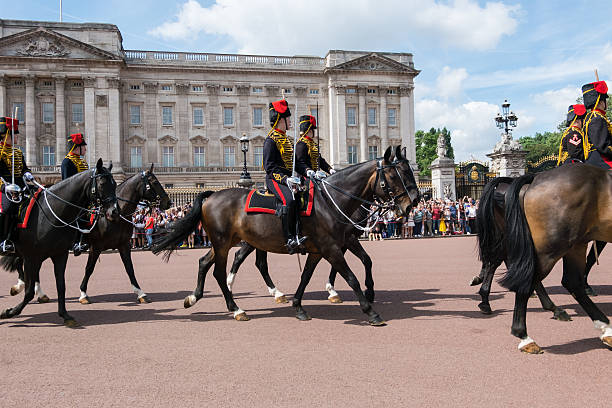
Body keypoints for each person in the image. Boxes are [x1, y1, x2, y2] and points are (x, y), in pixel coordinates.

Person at [263, 99, 304, 254]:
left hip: (289, 179)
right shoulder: (271, 140)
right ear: (281, 120)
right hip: (275, 179)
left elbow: (296, 163)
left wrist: (308, 172)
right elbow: (269, 167)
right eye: (288, 119)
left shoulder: (286, 140)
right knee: (289, 199)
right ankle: (289, 238)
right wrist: (285, 179)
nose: (290, 122)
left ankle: (300, 232)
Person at [0, 117, 34, 254]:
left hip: (21, 186)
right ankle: (3, 240)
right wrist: (5, 187)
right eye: (15, 134)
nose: (18, 137)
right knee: (8, 207)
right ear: (6, 136)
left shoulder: (18, 152)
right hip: (5, 187)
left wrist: (27, 174)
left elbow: (24, 168)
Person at [61, 132, 90, 256]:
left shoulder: (83, 162)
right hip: (74, 197)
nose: (85, 149)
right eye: (83, 146)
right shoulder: (67, 162)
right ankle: (75, 242)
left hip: (85, 195)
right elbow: (67, 182)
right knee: (76, 215)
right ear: (77, 147)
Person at [295, 114, 335, 179]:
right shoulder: (301, 144)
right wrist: (307, 170)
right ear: (309, 130)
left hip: (316, 176)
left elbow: (320, 160)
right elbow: (299, 162)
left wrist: (329, 169)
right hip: (305, 177)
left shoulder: (313, 144)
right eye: (313, 130)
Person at [583, 81, 612, 169]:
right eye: (604, 100)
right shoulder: (597, 118)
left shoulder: (589, 117)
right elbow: (602, 146)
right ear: (600, 102)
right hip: (601, 158)